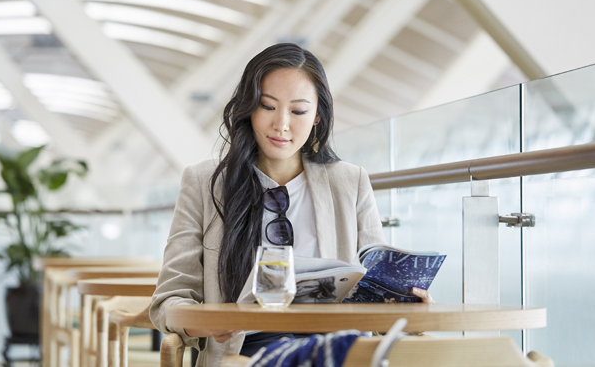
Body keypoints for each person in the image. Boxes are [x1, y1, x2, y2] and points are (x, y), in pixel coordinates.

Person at [149, 43, 432, 366]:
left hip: (331, 350)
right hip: (243, 354)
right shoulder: (203, 182)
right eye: (267, 106)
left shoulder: (350, 181)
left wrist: (401, 304)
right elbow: (167, 302)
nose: (281, 124)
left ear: (317, 116)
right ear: (248, 109)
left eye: (298, 111)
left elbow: (375, 288)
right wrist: (202, 320)